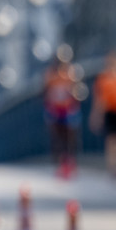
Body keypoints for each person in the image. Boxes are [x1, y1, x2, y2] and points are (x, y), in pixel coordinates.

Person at [43, 51, 82, 179]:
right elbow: (44, 92)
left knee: (70, 138)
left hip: (69, 111)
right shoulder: (50, 75)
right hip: (55, 111)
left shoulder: (72, 74)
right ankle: (61, 164)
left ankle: (70, 163)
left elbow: (78, 92)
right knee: (58, 139)